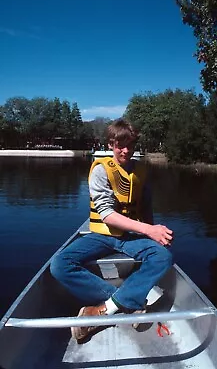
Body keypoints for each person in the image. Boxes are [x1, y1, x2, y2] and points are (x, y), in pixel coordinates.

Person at [50, 118, 173, 343]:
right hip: (101, 234)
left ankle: (104, 309)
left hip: (130, 237)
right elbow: (107, 215)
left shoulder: (142, 172)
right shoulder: (101, 170)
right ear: (110, 145)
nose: (125, 150)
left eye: (130, 145)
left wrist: (154, 234)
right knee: (59, 265)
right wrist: (149, 229)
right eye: (120, 145)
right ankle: (127, 302)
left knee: (163, 256)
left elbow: (146, 209)